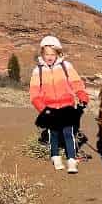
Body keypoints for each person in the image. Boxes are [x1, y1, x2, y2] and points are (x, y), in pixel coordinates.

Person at [29, 35, 89, 174]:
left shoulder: (66, 66)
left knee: (69, 133)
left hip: (67, 106)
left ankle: (72, 161)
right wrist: (42, 109)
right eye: (46, 54)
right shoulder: (37, 71)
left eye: (52, 54)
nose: (49, 57)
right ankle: (55, 157)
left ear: (58, 53)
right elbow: (34, 93)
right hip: (49, 108)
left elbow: (76, 83)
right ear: (42, 54)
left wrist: (82, 95)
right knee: (54, 134)